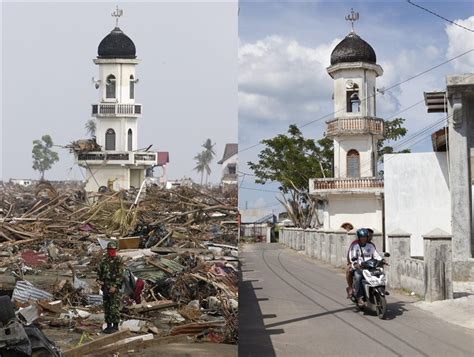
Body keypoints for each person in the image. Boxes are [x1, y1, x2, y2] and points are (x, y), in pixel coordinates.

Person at [348, 228, 382, 306]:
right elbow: (352, 256)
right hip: (360, 268)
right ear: (359, 237)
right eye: (361, 237)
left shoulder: (370, 246)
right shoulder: (355, 246)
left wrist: (382, 260)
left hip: (370, 267)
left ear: (367, 237)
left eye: (365, 237)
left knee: (380, 273)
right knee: (358, 276)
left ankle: (380, 289)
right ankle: (360, 297)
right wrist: (355, 263)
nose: (363, 238)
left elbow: (376, 255)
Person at [96, 241, 124, 334]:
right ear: (107, 250)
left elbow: (120, 275)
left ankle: (115, 326)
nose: (112, 251)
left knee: (114, 306)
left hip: (114, 287)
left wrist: (115, 286)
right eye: (110, 249)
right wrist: (99, 281)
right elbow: (99, 273)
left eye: (113, 249)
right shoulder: (104, 260)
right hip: (105, 286)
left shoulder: (118, 260)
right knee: (107, 306)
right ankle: (108, 325)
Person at [345, 227, 375, 298]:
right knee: (349, 271)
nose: (370, 237)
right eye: (369, 236)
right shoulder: (355, 244)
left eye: (371, 236)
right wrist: (351, 263)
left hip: (369, 265)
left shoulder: (371, 245)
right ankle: (351, 288)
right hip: (357, 265)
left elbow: (375, 255)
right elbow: (350, 254)